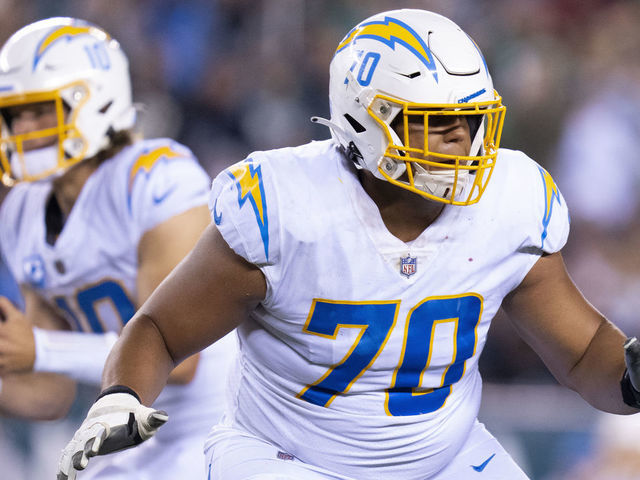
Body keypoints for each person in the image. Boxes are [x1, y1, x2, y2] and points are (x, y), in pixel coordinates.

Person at [58, 9, 640, 480]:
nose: (461, 138)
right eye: (435, 120)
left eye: (470, 118)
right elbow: (160, 330)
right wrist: (122, 394)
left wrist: (631, 376)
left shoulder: (511, 202)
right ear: (365, 122)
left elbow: (586, 352)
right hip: (287, 458)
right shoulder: (288, 209)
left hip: (443, 456)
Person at [0, 17, 237, 479]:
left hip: (224, 422)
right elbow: (49, 391)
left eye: (40, 111)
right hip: (126, 435)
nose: (22, 127)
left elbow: (181, 358)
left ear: (95, 102)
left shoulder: (155, 178)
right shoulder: (22, 209)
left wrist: (41, 349)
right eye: (13, 114)